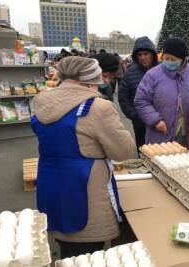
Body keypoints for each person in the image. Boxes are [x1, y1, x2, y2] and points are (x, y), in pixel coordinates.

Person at [31, 56, 136, 258]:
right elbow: (123, 152)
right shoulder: (97, 108)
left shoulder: (42, 101)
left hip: (51, 184)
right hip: (85, 191)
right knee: (87, 253)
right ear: (91, 81)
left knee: (66, 246)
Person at [135, 37, 189, 145]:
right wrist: (155, 120)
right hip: (159, 135)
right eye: (166, 58)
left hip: (186, 135)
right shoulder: (152, 75)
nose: (169, 62)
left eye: (173, 59)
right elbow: (141, 101)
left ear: (183, 59)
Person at [118, 36, 158, 149]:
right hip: (140, 123)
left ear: (152, 54)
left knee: (161, 153)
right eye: (139, 55)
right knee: (143, 152)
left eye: (146, 54)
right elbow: (122, 97)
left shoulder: (162, 69)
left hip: (161, 121)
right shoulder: (130, 73)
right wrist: (134, 116)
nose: (143, 57)